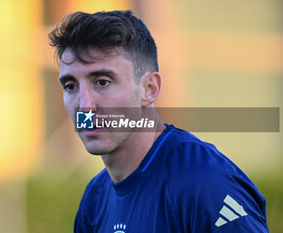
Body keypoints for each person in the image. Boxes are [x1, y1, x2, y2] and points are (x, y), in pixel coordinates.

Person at [49, 10, 269, 233]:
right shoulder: (94, 201)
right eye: (70, 86)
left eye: (103, 82)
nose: (85, 106)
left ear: (149, 89)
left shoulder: (203, 182)